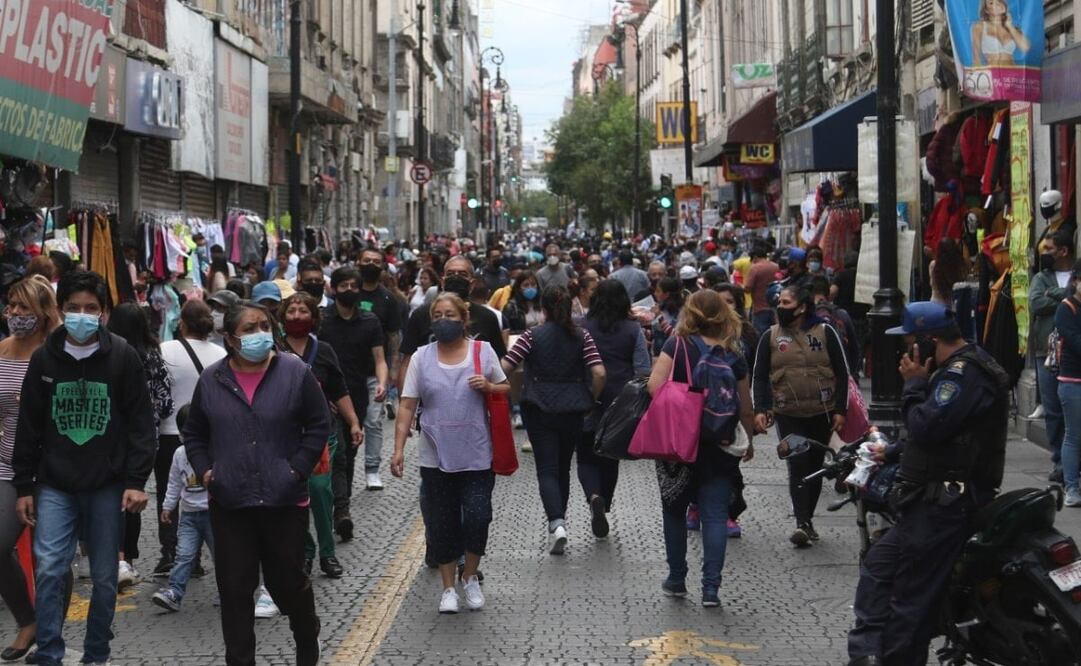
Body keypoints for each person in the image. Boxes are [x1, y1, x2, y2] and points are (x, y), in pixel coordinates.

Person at [847, 302, 1009, 666]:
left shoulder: (962, 375)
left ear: (928, 341)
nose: (904, 352)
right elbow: (950, 433)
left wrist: (914, 385)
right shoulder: (957, 369)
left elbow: (927, 426)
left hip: (945, 504)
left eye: (908, 342)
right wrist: (892, 451)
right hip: (929, 498)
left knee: (911, 597)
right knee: (879, 565)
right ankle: (866, 653)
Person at [12, 270, 157, 666]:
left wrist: (136, 480)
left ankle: (97, 653)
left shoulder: (123, 357)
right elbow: (29, 425)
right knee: (49, 569)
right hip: (54, 484)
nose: (82, 315)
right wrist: (24, 486)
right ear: (61, 310)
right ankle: (49, 652)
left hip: (106, 485)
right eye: (73, 307)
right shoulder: (44, 358)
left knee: (106, 577)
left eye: (90, 308)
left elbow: (141, 423)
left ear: (103, 312)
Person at [182, 301, 329, 666]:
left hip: (284, 500)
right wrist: (207, 471)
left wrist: (296, 469)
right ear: (230, 338)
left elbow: (318, 424)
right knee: (235, 590)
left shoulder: (295, 371)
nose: (259, 334)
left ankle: (306, 634)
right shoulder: (212, 379)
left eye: (264, 325)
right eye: (249, 329)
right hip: (231, 502)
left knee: (286, 584)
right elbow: (195, 433)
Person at [389, 293, 509, 613]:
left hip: (477, 453)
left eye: (450, 315)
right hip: (435, 456)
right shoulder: (421, 357)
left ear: (464, 319)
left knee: (478, 516)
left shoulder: (483, 352)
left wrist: (489, 386)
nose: (443, 321)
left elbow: (505, 386)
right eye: (437, 316)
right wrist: (398, 449)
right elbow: (407, 404)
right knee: (442, 522)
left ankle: (469, 576)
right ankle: (448, 589)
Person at [648, 290, 755, 608]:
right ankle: (711, 588)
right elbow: (746, 407)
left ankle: (676, 578)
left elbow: (654, 386)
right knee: (715, 515)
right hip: (720, 443)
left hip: (678, 443)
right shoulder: (733, 352)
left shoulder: (677, 345)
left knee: (674, 511)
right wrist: (748, 440)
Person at [501, 286, 606, 555]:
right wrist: (590, 398)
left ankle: (557, 523)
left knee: (546, 469)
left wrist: (512, 394)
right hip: (573, 409)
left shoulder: (531, 335)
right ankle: (561, 518)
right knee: (563, 467)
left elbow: (506, 367)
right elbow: (599, 373)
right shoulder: (582, 336)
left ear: (543, 309)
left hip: (539, 408)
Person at [752, 285, 849, 547]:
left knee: (815, 466)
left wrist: (841, 410)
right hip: (788, 413)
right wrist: (761, 408)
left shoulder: (825, 332)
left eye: (786, 303)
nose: (780, 307)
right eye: (779, 302)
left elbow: (843, 372)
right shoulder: (770, 336)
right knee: (797, 463)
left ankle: (808, 519)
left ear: (802, 307)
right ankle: (802, 522)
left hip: (821, 411)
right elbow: (759, 376)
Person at [280, 292, 363, 577]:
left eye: (303, 311)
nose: (296, 316)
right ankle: (305, 551)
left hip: (320, 434)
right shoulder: (275, 350)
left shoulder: (324, 350)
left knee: (319, 490)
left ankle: (328, 554)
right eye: (291, 311)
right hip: (285, 435)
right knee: (293, 493)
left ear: (314, 317)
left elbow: (339, 390)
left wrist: (353, 422)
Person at [0, 277, 59, 661]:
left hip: (53, 470)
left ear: (43, 312)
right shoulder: (2, 351)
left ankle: (50, 637)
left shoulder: (56, 354)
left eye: (24, 307)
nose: (15, 313)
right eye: (11, 305)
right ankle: (28, 620)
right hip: (7, 467)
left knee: (52, 559)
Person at [153, 300, 227, 577]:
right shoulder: (220, 354)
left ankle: (171, 551)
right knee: (207, 492)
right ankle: (200, 553)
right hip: (209, 436)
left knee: (169, 492)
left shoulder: (165, 350)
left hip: (170, 433)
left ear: (181, 323)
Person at [107, 303, 174, 588]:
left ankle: (115, 556)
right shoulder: (153, 357)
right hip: (144, 440)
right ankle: (128, 560)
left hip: (108, 437)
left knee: (109, 496)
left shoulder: (107, 355)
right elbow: (166, 403)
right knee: (132, 496)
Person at [317, 267, 387, 540]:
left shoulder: (370, 321)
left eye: (353, 286)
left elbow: (379, 358)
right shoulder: (323, 321)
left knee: (349, 453)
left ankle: (340, 501)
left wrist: (382, 382)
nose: (349, 290)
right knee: (338, 453)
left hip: (356, 394)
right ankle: (340, 510)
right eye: (343, 285)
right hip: (328, 397)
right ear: (333, 289)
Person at [578, 280, 650, 538]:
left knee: (586, 456)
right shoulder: (633, 329)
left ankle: (593, 496)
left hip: (586, 399)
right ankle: (605, 502)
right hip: (621, 403)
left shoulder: (581, 327)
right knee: (611, 455)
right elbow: (643, 369)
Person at [151, 406, 211, 612]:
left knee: (223, 557)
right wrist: (167, 507)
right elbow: (174, 483)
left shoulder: (213, 450)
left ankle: (230, 591)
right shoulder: (179, 454)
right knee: (183, 555)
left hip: (212, 514)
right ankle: (174, 593)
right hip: (189, 516)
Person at [355, 247, 403, 490]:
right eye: (367, 260)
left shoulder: (388, 299)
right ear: (358, 262)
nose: (371, 264)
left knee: (373, 420)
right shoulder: (350, 292)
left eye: (376, 261)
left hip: (376, 370)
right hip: (348, 370)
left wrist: (393, 370)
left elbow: (394, 336)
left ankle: (372, 469)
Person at [1030, 231, 1074, 482]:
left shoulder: (1076, 274)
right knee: (1053, 408)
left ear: (1063, 251)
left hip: (1073, 351)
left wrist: (1054, 295)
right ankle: (1059, 461)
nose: (1044, 253)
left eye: (1049, 249)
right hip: (1046, 351)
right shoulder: (1040, 278)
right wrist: (1068, 298)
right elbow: (1036, 304)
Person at [1057, 260, 1081, 507]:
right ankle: (1071, 487)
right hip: (1073, 381)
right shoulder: (1066, 308)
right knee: (1074, 435)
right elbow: (1075, 341)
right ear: (1075, 281)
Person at [971, 0, 1030, 67]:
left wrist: (1010, 26)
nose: (998, 4)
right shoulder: (979, 27)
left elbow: (1025, 47)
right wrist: (978, 72)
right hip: (992, 71)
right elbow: (976, 57)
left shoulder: (1013, 28)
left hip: (1013, 71)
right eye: (991, 3)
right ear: (986, 10)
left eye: (999, 0)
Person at [744, 244, 780, 335]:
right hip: (775, 307)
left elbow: (747, 288)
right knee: (775, 334)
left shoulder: (755, 268)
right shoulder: (776, 266)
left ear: (755, 257)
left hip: (759, 308)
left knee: (760, 336)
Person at [652, 277, 685, 356]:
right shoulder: (661, 307)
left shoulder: (680, 313)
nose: (655, 294)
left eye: (658, 291)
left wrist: (659, 317)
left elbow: (676, 335)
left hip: (672, 355)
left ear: (667, 294)